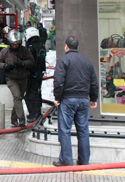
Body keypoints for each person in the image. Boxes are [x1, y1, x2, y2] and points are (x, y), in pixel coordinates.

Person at [52, 36, 99, 167]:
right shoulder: (86, 61)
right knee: (83, 130)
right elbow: (94, 82)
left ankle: (66, 160)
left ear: (66, 46)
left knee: (65, 130)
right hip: (83, 100)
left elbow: (59, 81)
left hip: (68, 100)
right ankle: (84, 161)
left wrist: (57, 97)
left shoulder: (63, 60)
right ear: (77, 47)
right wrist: (93, 98)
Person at [0, 29, 34, 127]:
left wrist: (22, 63)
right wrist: (5, 66)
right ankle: (21, 120)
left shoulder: (25, 51)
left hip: (23, 77)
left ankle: (13, 119)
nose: (15, 46)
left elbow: (31, 61)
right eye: (13, 44)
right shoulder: (5, 51)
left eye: (17, 44)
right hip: (11, 78)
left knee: (18, 99)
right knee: (17, 97)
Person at [25, 26, 47, 122]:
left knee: (30, 94)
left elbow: (29, 62)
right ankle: (37, 112)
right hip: (39, 74)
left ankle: (33, 114)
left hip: (32, 75)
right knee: (37, 93)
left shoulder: (31, 48)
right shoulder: (41, 46)